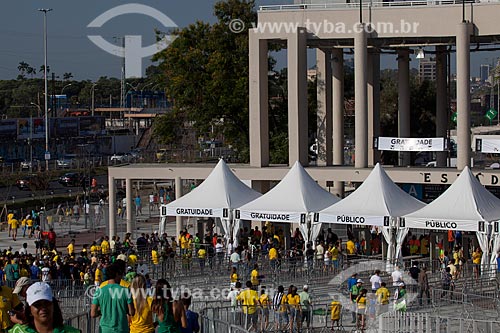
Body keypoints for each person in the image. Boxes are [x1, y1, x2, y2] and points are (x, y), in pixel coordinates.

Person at [9, 282, 80, 333]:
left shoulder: (72, 332)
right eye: (37, 304)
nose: (43, 308)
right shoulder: (18, 331)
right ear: (30, 310)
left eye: (46, 303)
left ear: (53, 305)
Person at [91, 262, 135, 333]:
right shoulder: (126, 290)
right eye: (120, 274)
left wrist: (102, 311)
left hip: (105, 329)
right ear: (116, 274)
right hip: (121, 328)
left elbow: (93, 314)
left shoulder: (99, 291)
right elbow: (131, 312)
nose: (121, 277)